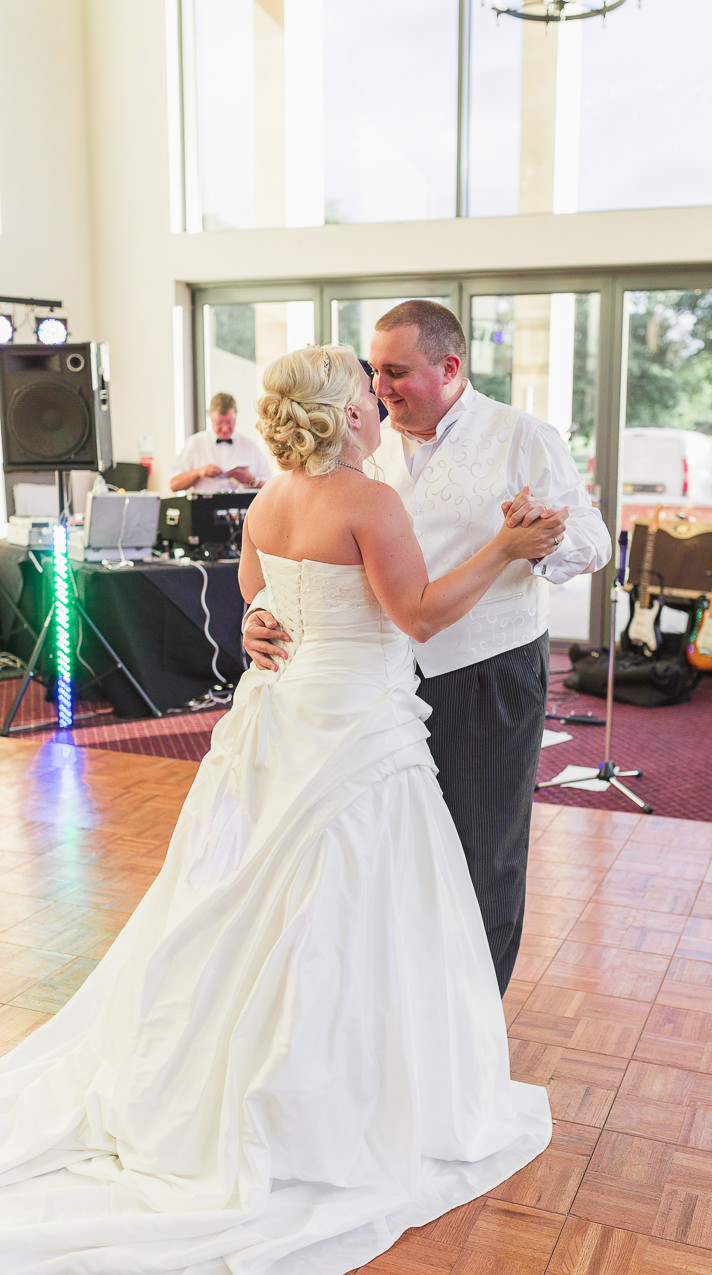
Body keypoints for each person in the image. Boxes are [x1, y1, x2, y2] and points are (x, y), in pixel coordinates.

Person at [0, 345, 559, 1274]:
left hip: (282, 720)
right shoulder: (369, 500)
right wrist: (504, 550)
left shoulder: (268, 498)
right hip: (358, 734)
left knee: (247, 899)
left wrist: (261, 619)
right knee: (348, 909)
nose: (379, 402)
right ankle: (329, 1100)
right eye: (366, 392)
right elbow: (417, 618)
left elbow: (256, 592)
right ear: (344, 415)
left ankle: (228, 1063)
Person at [244, 301, 611, 996]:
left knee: (482, 857)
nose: (379, 387)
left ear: (449, 367)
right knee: (393, 857)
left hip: (485, 674)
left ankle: (473, 1021)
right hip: (377, 691)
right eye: (373, 372)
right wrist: (261, 611)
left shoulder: (521, 436)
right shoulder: (356, 434)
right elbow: (316, 558)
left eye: (396, 372)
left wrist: (541, 536)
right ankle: (402, 1015)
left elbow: (593, 539)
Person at [169, 390, 274, 493]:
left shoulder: (250, 446)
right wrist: (199, 472)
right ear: (209, 415)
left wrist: (250, 480)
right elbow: (173, 484)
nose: (225, 428)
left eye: (230, 422)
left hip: (243, 508)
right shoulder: (195, 443)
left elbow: (271, 489)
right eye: (219, 422)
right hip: (203, 507)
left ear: (236, 415)